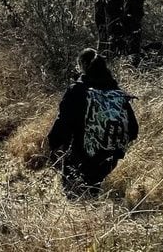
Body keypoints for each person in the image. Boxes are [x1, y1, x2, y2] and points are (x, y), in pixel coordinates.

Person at [46, 48, 139, 198]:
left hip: (81, 155)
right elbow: (133, 130)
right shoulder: (116, 91)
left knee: (75, 197)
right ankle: (96, 216)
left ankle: (83, 218)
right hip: (110, 156)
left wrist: (52, 143)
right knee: (93, 192)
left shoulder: (77, 90)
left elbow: (63, 122)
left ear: (82, 66)